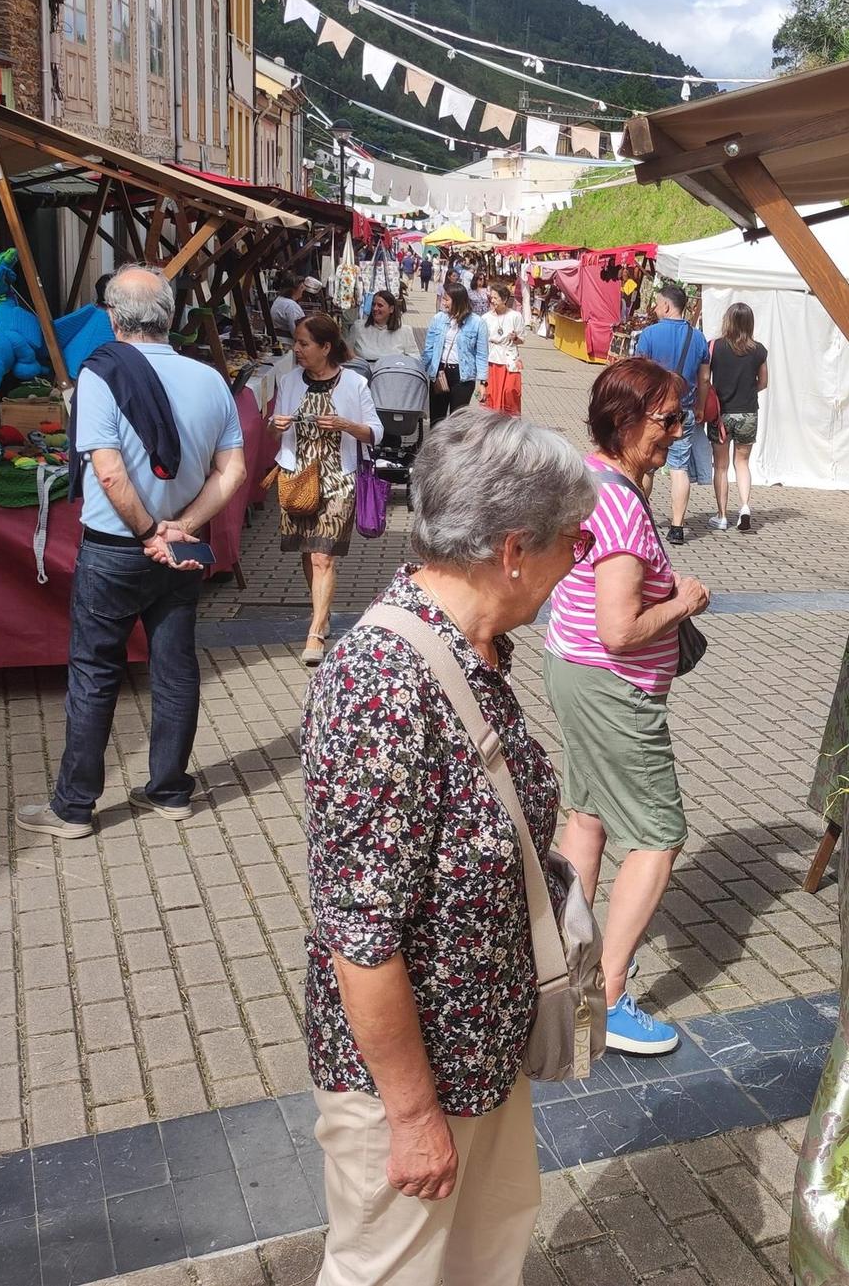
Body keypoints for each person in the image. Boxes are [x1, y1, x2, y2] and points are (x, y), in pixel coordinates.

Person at [302, 411, 598, 1286]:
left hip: (480, 1047)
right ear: (513, 550)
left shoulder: (474, 649)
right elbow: (362, 937)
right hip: (415, 1075)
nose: (575, 562)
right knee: (386, 1272)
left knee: (484, 1253)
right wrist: (412, 1114)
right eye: (569, 545)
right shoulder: (381, 685)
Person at [17, 265, 247, 839]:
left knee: (95, 673)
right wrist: (182, 526)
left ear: (113, 317)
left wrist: (149, 533)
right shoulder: (210, 379)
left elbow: (110, 474)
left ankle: (74, 808)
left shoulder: (101, 374)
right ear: (169, 316)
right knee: (175, 669)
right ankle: (169, 792)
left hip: (118, 549)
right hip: (182, 547)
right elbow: (234, 470)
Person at [548, 358, 711, 1056]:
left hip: (574, 670)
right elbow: (621, 628)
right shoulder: (617, 501)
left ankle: (561, 972)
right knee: (658, 834)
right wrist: (683, 602)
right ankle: (606, 999)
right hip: (614, 686)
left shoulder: (588, 478)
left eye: (681, 419)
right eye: (667, 419)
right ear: (623, 423)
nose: (677, 433)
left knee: (586, 818)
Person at [272, 313, 383, 667]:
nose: (297, 349)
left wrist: (346, 424)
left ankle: (316, 629)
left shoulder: (353, 384)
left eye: (304, 343)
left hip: (338, 478)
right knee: (309, 552)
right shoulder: (290, 381)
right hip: (298, 477)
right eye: (297, 342)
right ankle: (321, 610)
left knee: (323, 556)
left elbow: (376, 432)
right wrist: (276, 425)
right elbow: (277, 431)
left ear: (325, 347)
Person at [631, 282, 711, 545]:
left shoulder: (649, 335)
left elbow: (638, 375)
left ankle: (642, 517)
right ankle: (677, 527)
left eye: (656, 303)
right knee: (679, 468)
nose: (655, 308)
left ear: (666, 305)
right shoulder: (698, 338)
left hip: (653, 412)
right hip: (683, 412)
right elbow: (704, 378)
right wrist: (699, 406)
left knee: (647, 466)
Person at [705, 301, 768, 534]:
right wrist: (748, 391)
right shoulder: (759, 350)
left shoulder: (714, 347)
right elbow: (763, 382)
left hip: (721, 415)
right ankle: (744, 507)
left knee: (721, 467)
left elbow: (705, 380)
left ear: (727, 321)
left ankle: (721, 516)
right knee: (742, 463)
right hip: (748, 413)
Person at [423, 284, 487, 426]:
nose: (443, 302)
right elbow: (428, 349)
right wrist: (426, 371)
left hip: (463, 376)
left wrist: (483, 383)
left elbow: (482, 355)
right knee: (436, 419)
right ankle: (435, 448)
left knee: (457, 422)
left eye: (446, 299)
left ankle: (454, 448)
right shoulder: (438, 319)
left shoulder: (477, 322)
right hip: (439, 373)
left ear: (457, 300)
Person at [481, 284, 525, 417]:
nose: (492, 301)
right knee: (492, 394)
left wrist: (515, 337)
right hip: (492, 359)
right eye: (491, 297)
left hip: (509, 358)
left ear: (504, 299)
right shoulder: (485, 318)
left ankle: (511, 423)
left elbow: (521, 340)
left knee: (510, 391)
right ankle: (490, 424)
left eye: (496, 298)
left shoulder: (515, 316)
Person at [352, 289, 416, 366]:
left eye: (380, 305)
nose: (375, 308)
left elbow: (415, 359)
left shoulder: (405, 331)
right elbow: (346, 355)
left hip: (393, 375)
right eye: (373, 304)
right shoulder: (358, 327)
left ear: (391, 309)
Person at [271, 273, 309, 343]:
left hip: (280, 339)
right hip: (288, 342)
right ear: (294, 290)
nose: (303, 290)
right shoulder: (291, 305)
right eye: (301, 287)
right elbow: (296, 330)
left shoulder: (278, 300)